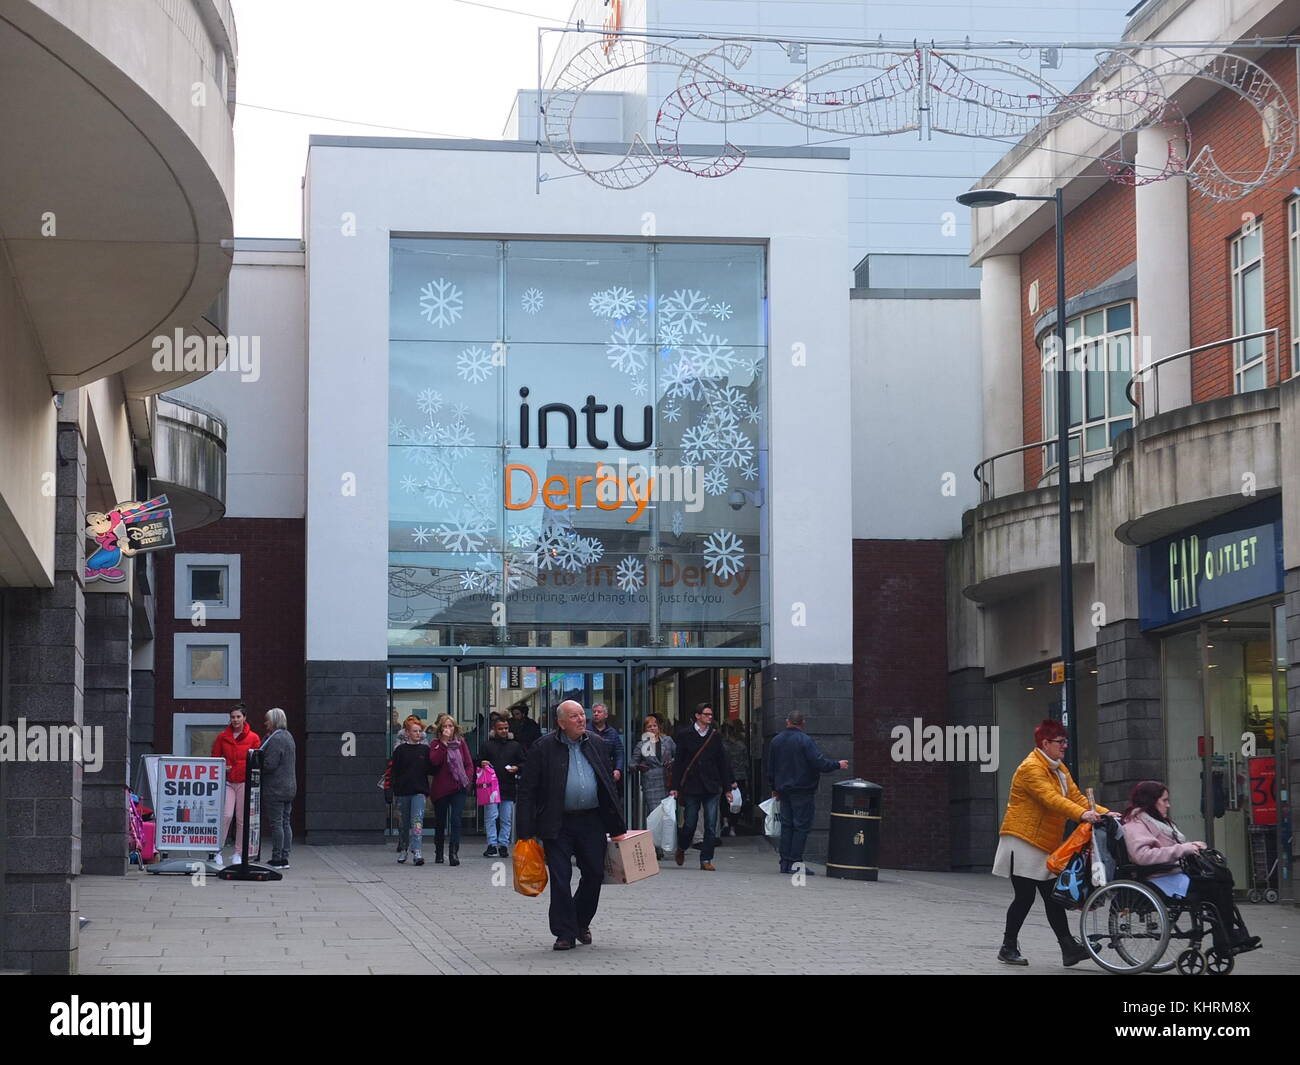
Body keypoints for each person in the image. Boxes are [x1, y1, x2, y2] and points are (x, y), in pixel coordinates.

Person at [993, 719, 1106, 967]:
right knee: (1024, 897)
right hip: (1023, 840)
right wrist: (1081, 815)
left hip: (1043, 843)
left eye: (1065, 741)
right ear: (1045, 743)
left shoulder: (1058, 768)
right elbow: (1051, 798)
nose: (1065, 746)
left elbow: (1076, 797)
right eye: (1060, 742)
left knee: (1053, 896)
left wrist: (1106, 814)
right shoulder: (1031, 768)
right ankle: (1008, 947)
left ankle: (1068, 949)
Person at [516, 700, 626, 951]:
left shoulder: (597, 744)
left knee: (595, 874)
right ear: (561, 722)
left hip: (591, 820)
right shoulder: (543, 747)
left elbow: (608, 785)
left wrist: (618, 825)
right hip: (558, 821)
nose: (581, 720)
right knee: (560, 877)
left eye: (582, 715)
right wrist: (525, 831)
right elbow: (527, 791)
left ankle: (580, 921)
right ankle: (564, 933)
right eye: (574, 716)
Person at [1121, 781, 1260, 955]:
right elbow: (1142, 856)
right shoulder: (1135, 825)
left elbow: (1170, 848)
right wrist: (1183, 849)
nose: (1168, 804)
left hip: (1172, 873)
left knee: (1222, 878)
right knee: (1214, 886)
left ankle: (1229, 937)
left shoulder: (1157, 821)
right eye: (1164, 800)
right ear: (1151, 801)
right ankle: (1225, 940)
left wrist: (1191, 846)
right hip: (1157, 878)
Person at [767, 711, 849, 874]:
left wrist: (774, 788)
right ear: (802, 723)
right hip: (803, 791)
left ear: (787, 722)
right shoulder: (805, 741)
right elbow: (819, 763)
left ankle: (784, 863)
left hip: (783, 791)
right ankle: (795, 863)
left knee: (787, 826)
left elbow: (771, 768)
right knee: (801, 828)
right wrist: (837, 764)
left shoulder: (776, 741)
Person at [669, 703, 736, 872]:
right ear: (698, 716)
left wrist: (728, 788)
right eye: (706, 714)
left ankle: (706, 859)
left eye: (711, 714)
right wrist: (674, 786)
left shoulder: (715, 735)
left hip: (712, 785)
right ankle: (682, 847)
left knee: (711, 824)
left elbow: (722, 762)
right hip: (692, 785)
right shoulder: (685, 735)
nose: (709, 717)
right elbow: (679, 763)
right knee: (690, 823)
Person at [211, 704, 261, 867]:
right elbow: (215, 758)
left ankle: (238, 853)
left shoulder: (253, 738)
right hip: (228, 781)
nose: (235, 720)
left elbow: (257, 761)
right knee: (226, 816)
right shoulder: (222, 737)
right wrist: (222, 767)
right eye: (233, 717)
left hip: (244, 782)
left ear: (244, 718)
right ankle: (217, 851)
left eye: (238, 716)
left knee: (241, 819)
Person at [429, 714, 475, 866]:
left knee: (456, 820)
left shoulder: (460, 743)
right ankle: (439, 851)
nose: (448, 729)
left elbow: (468, 763)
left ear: (455, 728)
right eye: (445, 726)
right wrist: (443, 743)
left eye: (450, 726)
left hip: (458, 787)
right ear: (440, 729)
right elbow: (434, 762)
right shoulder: (435, 743)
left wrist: (466, 780)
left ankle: (454, 852)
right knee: (440, 821)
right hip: (441, 789)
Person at [629, 713, 676, 860]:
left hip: (666, 780)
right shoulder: (641, 744)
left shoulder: (667, 741)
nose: (652, 728)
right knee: (654, 815)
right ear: (645, 729)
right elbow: (632, 764)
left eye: (654, 725)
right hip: (650, 782)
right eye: (649, 726)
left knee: (666, 815)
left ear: (658, 727)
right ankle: (655, 847)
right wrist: (639, 766)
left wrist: (672, 763)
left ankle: (666, 843)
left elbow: (679, 756)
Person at [479, 715, 526, 857]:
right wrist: (482, 763)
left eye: (506, 728)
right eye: (500, 729)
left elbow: (524, 762)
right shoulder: (487, 745)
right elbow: (478, 760)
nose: (504, 731)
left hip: (507, 785)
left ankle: (503, 844)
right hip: (491, 786)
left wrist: (517, 768)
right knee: (491, 816)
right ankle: (492, 844)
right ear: (494, 729)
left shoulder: (515, 746)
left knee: (506, 817)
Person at [391, 716, 433, 865]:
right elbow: (394, 771)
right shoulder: (400, 750)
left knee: (417, 821)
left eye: (420, 731)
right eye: (414, 731)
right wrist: (394, 789)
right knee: (403, 823)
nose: (418, 734)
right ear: (407, 733)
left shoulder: (425, 750)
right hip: (403, 791)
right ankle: (403, 849)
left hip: (419, 791)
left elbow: (431, 769)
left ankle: (417, 851)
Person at [260, 707, 297, 869]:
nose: (265, 722)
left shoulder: (276, 739)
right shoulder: (288, 736)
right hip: (289, 787)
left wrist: (259, 763)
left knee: (276, 823)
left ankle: (277, 858)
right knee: (285, 822)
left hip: (276, 787)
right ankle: (285, 856)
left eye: (267, 719)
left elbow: (270, 764)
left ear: (274, 721)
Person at [721, 721, 750, 839]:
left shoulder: (723, 745)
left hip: (726, 776)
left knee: (724, 801)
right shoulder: (741, 745)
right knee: (737, 803)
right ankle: (733, 827)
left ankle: (725, 821)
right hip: (740, 776)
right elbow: (746, 763)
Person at [590, 703, 624, 783]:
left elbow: (619, 752)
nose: (596, 714)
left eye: (599, 712)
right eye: (594, 712)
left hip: (607, 773)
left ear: (606, 715)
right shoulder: (586, 731)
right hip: (590, 772)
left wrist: (618, 769)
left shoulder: (612, 733)